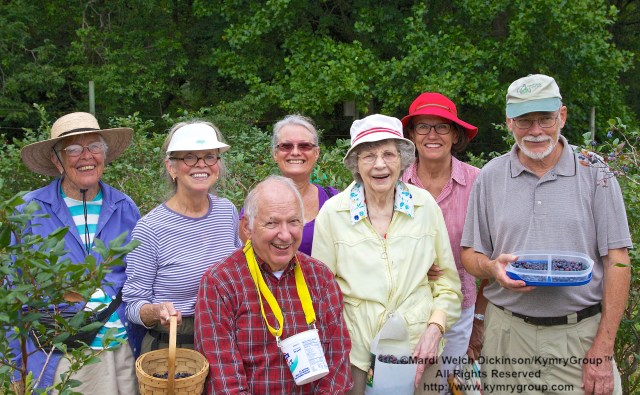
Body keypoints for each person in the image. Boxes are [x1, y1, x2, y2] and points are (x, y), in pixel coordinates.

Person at [461, 74, 632, 394]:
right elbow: (471, 254)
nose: (536, 131)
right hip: (508, 338)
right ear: (509, 122)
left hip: (579, 339)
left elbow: (618, 261)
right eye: (525, 121)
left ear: (562, 117)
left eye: (545, 119)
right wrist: (492, 268)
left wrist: (604, 347)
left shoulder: (595, 171)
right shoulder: (491, 177)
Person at [312, 114, 462, 394]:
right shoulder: (334, 213)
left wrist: (435, 328)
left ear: (403, 160)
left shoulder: (424, 206)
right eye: (368, 156)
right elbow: (322, 293)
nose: (379, 164)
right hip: (357, 354)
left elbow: (448, 284)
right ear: (356, 163)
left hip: (419, 348)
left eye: (388, 154)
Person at [15, 112, 144, 393]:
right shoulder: (28, 211)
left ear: (104, 155)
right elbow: (10, 289)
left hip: (121, 349)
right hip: (58, 355)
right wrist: (14, 364)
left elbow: (138, 279)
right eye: (73, 149)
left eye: (94, 146)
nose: (86, 156)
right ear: (56, 160)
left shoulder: (124, 207)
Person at [195, 175, 352, 393]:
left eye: (294, 221)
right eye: (272, 223)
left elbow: (338, 364)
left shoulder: (320, 278)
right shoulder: (220, 283)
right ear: (247, 227)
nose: (285, 234)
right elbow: (224, 379)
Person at [123, 120, 242, 352]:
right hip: (175, 345)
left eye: (209, 156)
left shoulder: (227, 211)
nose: (201, 165)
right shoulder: (150, 229)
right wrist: (156, 312)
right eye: (189, 157)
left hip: (226, 337)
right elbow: (133, 304)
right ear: (172, 167)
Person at [400, 92, 487, 385]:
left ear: (455, 134)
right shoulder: (395, 183)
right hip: (404, 310)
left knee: (444, 385)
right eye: (423, 127)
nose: (432, 135)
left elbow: (492, 253)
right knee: (405, 384)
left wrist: (479, 320)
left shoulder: (479, 183)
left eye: (442, 127)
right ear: (411, 134)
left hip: (460, 311)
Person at [239, 114, 338, 255]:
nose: (296, 152)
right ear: (275, 153)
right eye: (286, 146)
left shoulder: (334, 200)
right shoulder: (257, 202)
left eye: (304, 146)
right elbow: (248, 258)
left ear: (316, 153)